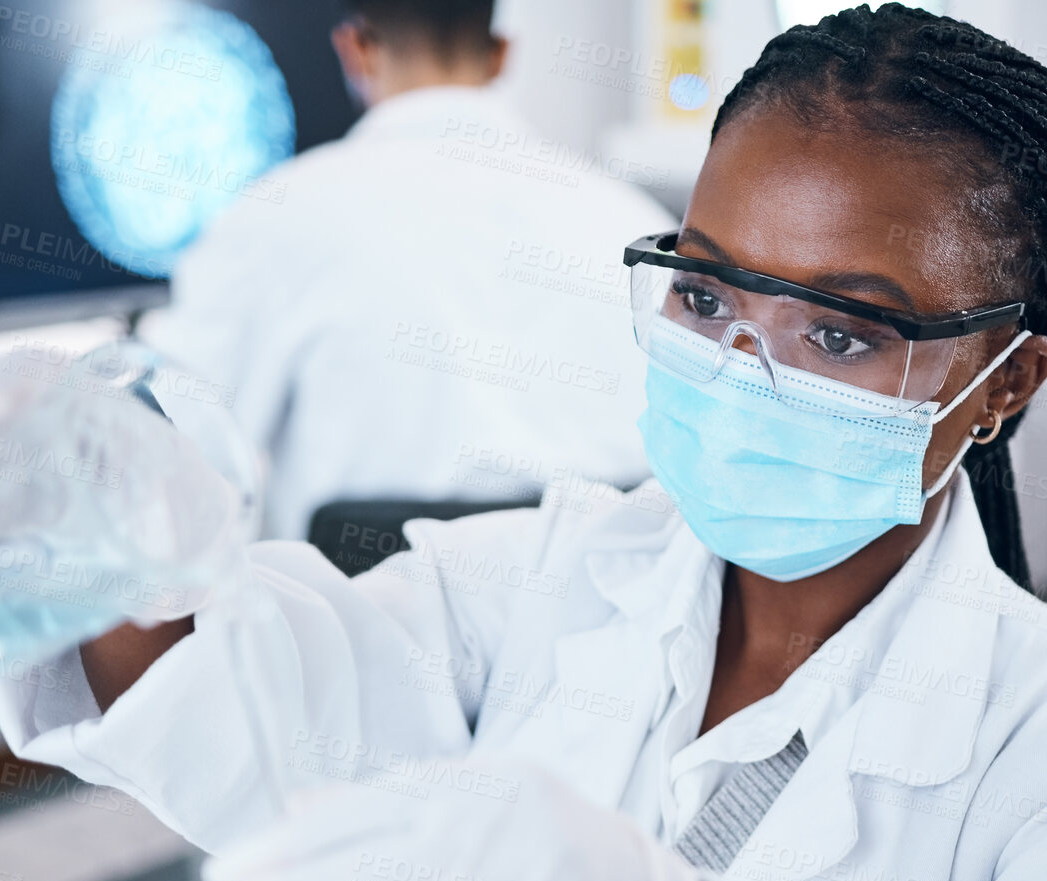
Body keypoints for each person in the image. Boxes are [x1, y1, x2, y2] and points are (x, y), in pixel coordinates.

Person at [0, 5, 1047, 881]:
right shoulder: (541, 571)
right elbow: (253, 709)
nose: (742, 372)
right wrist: (109, 548)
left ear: (1009, 380)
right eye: (707, 298)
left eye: (839, 332)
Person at [135, 0, 672, 540]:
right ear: (501, 55)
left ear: (356, 49)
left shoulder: (274, 215)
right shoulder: (632, 225)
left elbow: (169, 449)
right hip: (601, 614)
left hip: (354, 616)